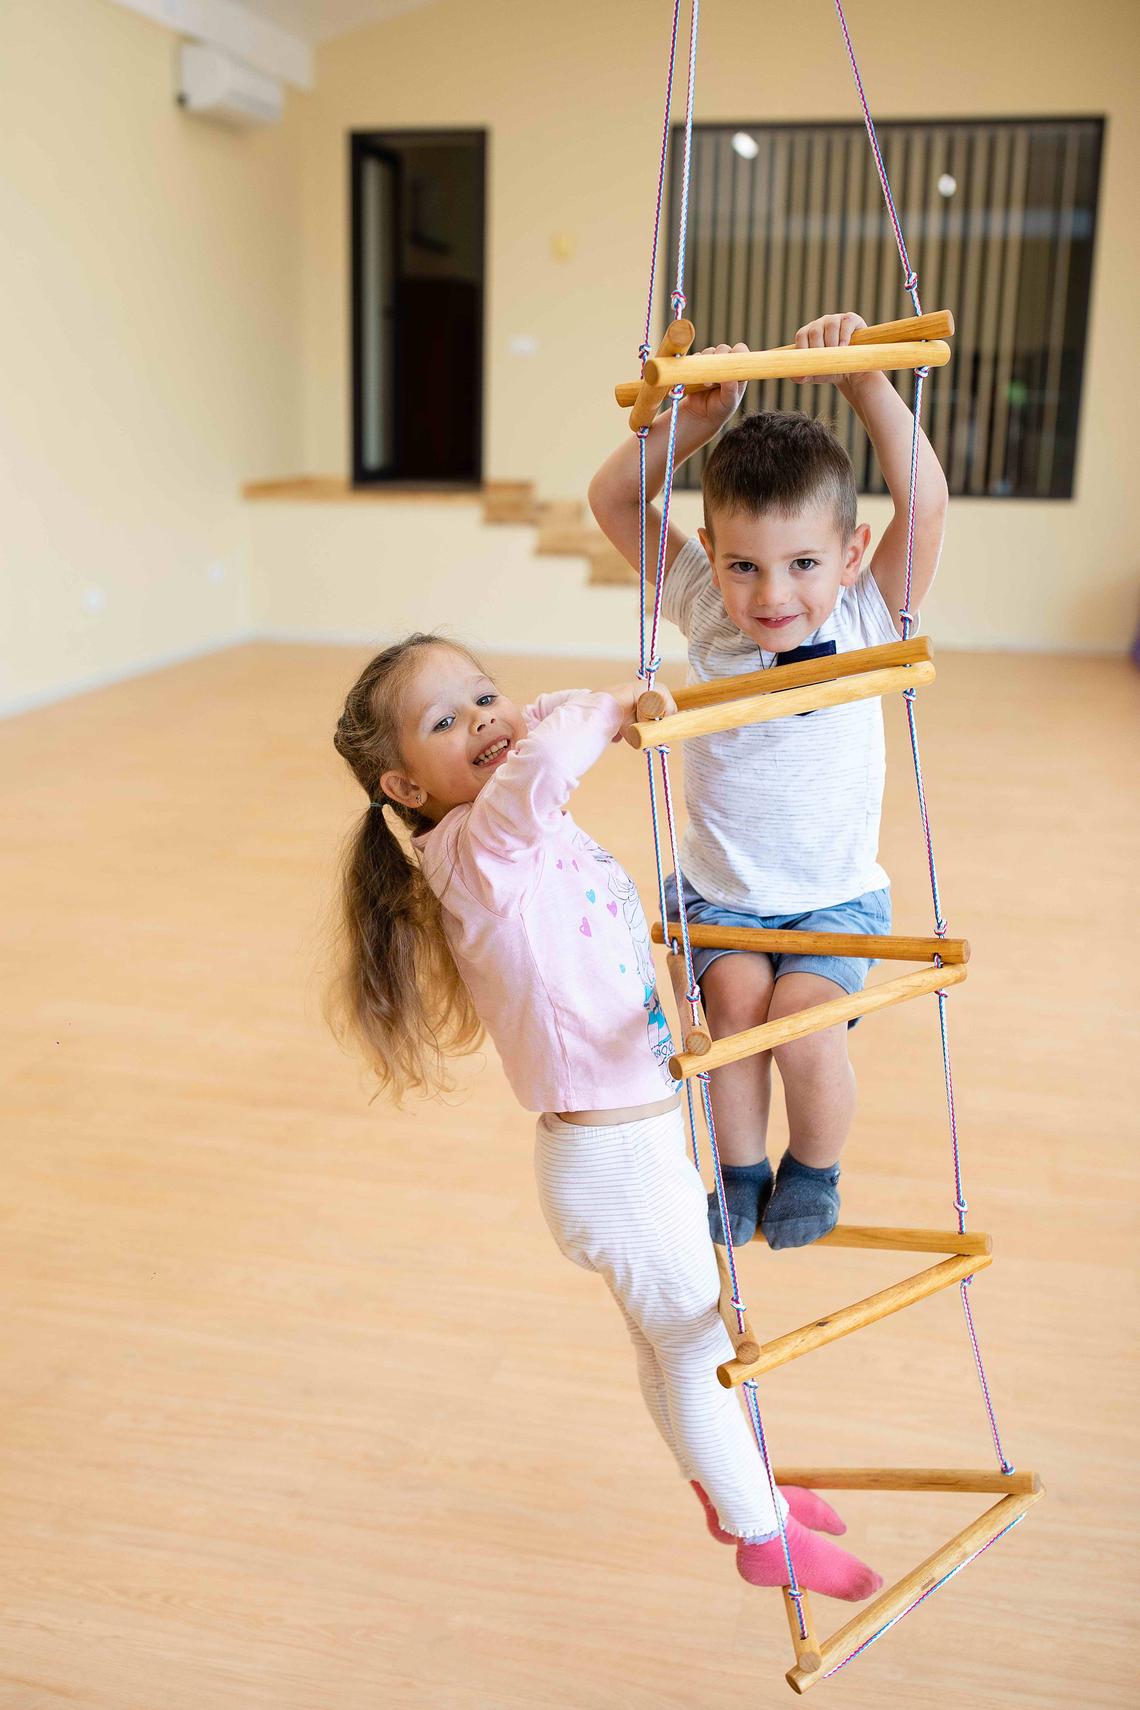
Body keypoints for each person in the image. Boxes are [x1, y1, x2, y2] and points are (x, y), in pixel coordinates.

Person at [329, 632, 881, 1599]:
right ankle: (761, 1535)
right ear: (405, 787)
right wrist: (622, 703)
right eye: (443, 722)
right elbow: (544, 753)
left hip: (620, 1149)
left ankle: (734, 1486)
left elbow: (533, 737)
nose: (485, 721)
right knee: (699, 1344)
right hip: (614, 1163)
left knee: (670, 1339)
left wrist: (540, 713)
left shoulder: (507, 831)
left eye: (486, 696)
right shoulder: (482, 845)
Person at [589, 312, 949, 1251]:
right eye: (744, 564)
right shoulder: (706, 605)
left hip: (833, 901)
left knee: (800, 1023)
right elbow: (614, 501)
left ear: (853, 556)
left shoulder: (871, 613)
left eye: (801, 565)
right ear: (711, 553)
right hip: (723, 898)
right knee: (735, 1010)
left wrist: (866, 381)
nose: (771, 596)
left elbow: (929, 507)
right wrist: (694, 423)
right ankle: (741, 1171)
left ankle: (813, 1170)